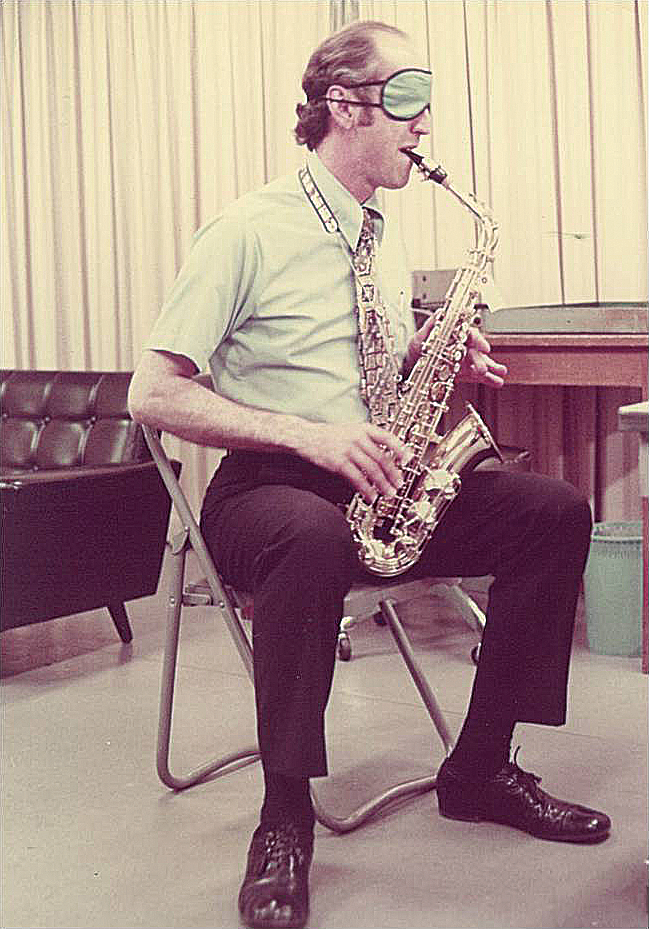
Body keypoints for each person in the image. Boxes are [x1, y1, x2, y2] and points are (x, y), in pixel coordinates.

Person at [129, 20, 611, 929]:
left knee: (551, 510)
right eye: (407, 96)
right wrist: (307, 436)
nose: (424, 121)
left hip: (379, 479)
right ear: (344, 105)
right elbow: (152, 392)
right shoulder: (245, 229)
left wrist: (429, 351)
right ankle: (283, 820)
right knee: (311, 538)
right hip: (266, 486)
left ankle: (479, 768)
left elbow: (363, 370)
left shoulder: (380, 234)